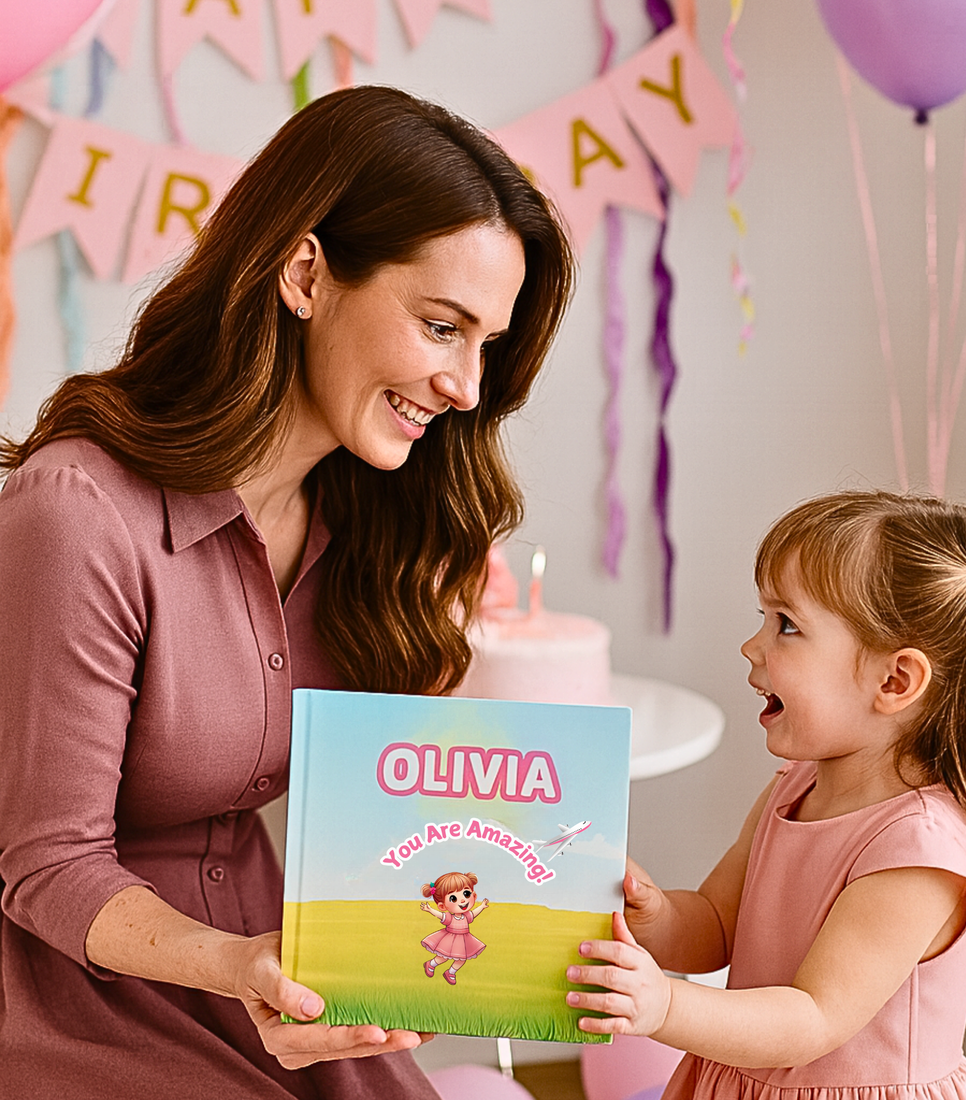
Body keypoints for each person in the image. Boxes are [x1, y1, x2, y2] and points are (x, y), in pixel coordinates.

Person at [0, 85, 573, 1098]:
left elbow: (393, 821)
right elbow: (47, 863)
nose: (468, 387)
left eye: (486, 343)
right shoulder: (78, 510)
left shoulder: (379, 527)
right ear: (306, 273)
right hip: (75, 996)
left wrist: (553, 886)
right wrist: (239, 964)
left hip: (283, 986)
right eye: (442, 325)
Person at [566, 491, 966, 1100]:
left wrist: (664, 1004)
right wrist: (656, 914)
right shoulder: (795, 787)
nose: (752, 646)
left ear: (894, 680)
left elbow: (814, 1017)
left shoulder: (918, 850)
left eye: (786, 625)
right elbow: (718, 924)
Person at [420, 872, 489, 984]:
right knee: (443, 957)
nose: (462, 900)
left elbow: (474, 913)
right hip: (449, 940)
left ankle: (451, 972)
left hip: (464, 940)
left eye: (466, 894)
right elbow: (440, 915)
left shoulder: (466, 916)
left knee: (462, 959)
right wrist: (430, 910)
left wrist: (481, 906)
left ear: (474, 896)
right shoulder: (449, 917)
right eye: (453, 898)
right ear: (442, 906)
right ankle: (431, 964)